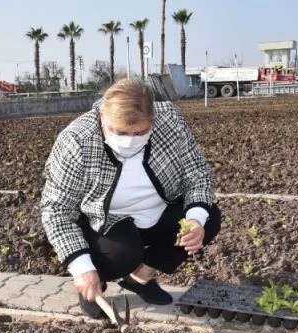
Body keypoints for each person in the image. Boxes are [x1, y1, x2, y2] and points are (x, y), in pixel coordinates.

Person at [41, 78, 220, 318]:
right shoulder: (77, 141)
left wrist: (195, 220)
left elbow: (196, 173)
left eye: (141, 132)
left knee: (209, 217)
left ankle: (140, 278)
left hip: (158, 212)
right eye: (120, 132)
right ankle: (95, 284)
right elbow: (56, 210)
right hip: (106, 222)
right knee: (123, 254)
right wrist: (81, 267)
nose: (130, 140)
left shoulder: (170, 122)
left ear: (152, 120)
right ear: (103, 117)